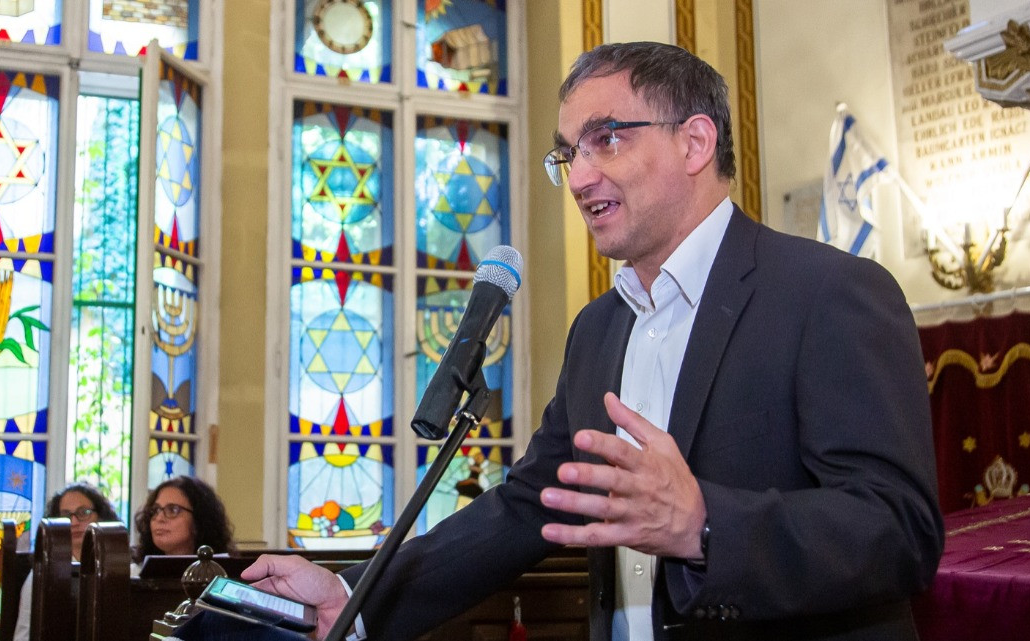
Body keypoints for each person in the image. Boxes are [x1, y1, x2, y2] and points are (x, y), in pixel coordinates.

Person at [244, 41, 943, 641]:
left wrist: (704, 525)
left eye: (607, 139)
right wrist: (354, 596)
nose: (577, 178)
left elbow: (900, 529)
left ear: (695, 142)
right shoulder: (598, 329)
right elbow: (528, 505)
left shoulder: (828, 293)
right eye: (568, 152)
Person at [14, 482, 121, 641]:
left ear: (100, 516)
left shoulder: (120, 567)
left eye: (83, 512)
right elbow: (23, 635)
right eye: (65, 515)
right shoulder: (42, 573)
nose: (74, 522)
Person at [133, 475, 235, 561]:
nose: (159, 518)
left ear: (198, 520)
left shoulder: (222, 573)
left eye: (173, 510)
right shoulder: (134, 572)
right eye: (155, 510)